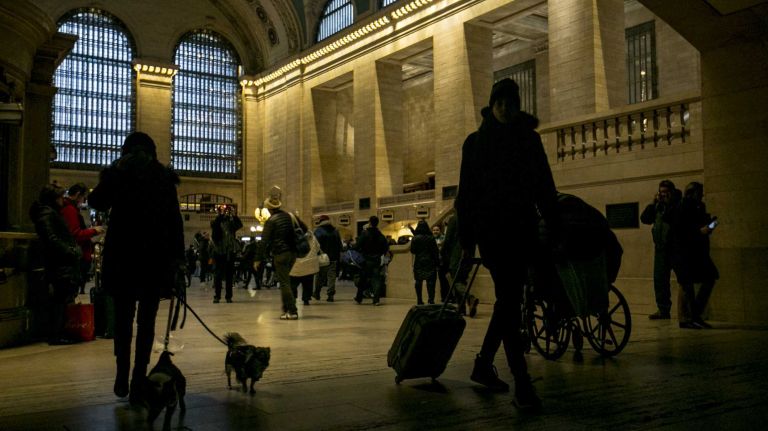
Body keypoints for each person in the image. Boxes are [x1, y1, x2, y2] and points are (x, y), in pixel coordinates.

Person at [455, 78, 558, 408]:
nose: (504, 108)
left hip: (523, 231)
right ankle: (522, 383)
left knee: (507, 302)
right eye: (499, 102)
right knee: (510, 301)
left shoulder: (529, 140)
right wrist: (467, 239)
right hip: (494, 234)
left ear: (517, 106)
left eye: (510, 103)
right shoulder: (475, 143)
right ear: (492, 105)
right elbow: (466, 195)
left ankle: (484, 364)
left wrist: (553, 221)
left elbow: (544, 185)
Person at [88, 132, 185, 403]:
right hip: (151, 260)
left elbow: (174, 221)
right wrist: (177, 259)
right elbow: (97, 202)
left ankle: (129, 375)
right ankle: (134, 377)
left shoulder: (150, 178)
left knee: (126, 321)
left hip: (126, 259)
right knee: (143, 323)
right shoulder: (155, 178)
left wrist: (115, 172)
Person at [29, 184, 82, 345]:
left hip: (59, 261)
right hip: (58, 262)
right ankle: (56, 334)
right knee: (59, 299)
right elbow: (51, 238)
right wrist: (70, 251)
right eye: (59, 197)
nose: (62, 200)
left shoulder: (48, 213)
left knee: (61, 298)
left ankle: (58, 332)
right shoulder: (47, 214)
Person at [670, 182, 718, 329]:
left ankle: (694, 314)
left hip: (698, 251)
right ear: (692, 193)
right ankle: (686, 318)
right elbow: (680, 231)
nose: (702, 195)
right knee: (686, 284)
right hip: (684, 252)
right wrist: (699, 231)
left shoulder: (699, 206)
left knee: (709, 278)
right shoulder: (681, 207)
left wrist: (710, 225)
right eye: (699, 192)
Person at [261, 186, 307, 320]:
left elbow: (264, 241)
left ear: (269, 209)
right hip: (293, 253)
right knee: (288, 281)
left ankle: (292, 311)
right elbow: (304, 229)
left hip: (280, 254)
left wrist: (258, 258)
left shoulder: (271, 221)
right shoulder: (290, 216)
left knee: (284, 283)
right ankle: (286, 309)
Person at [640, 180, 678, 320]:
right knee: (660, 280)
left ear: (672, 192)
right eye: (661, 192)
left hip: (676, 247)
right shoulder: (658, 206)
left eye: (666, 192)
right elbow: (645, 219)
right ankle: (663, 309)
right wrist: (653, 203)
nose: (663, 195)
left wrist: (668, 205)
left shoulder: (678, 205)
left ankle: (688, 311)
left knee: (684, 280)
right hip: (661, 248)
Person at [59, 182, 104, 294]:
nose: (84, 200)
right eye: (83, 197)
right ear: (78, 194)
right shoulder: (70, 209)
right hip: (77, 256)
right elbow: (75, 234)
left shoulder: (69, 208)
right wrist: (94, 231)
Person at [442, 212, 479, 317]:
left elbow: (448, 239)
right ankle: (461, 308)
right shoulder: (472, 219)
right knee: (462, 280)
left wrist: (443, 253)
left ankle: (470, 298)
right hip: (469, 254)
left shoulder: (454, 219)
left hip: (457, 255)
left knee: (455, 280)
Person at [353, 216, 390, 305]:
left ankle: (359, 298)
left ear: (369, 222)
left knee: (363, 279)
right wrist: (380, 254)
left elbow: (357, 246)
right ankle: (376, 300)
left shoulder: (365, 234)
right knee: (376, 279)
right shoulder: (380, 235)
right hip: (376, 260)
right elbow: (385, 248)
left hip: (366, 259)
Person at [210, 205, 242, 303]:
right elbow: (215, 227)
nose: (225, 212)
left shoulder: (231, 223)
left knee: (229, 275)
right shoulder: (215, 222)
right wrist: (220, 215)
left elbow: (239, 225)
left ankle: (228, 296)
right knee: (218, 275)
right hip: (219, 251)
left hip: (229, 252)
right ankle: (217, 296)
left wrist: (234, 215)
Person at [290, 224, 321, 306]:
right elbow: (317, 247)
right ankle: (306, 299)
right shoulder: (312, 237)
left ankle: (293, 298)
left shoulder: (290, 237)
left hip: (295, 264)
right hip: (309, 263)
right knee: (308, 283)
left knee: (293, 283)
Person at [410, 220, 439, 305]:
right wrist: (437, 262)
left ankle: (419, 300)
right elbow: (435, 251)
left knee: (418, 281)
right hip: (430, 262)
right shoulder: (431, 238)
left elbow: (412, 250)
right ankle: (431, 300)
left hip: (419, 262)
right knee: (431, 282)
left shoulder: (415, 238)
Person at [313, 215, 342, 302]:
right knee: (331, 277)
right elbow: (339, 245)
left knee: (319, 277)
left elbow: (315, 245)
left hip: (322, 258)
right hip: (333, 258)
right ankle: (330, 295)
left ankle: (317, 293)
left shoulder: (318, 231)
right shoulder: (335, 231)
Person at [432, 224, 450, 302]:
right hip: (437, 263)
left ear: (440, 231)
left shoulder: (443, 238)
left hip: (444, 262)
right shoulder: (431, 239)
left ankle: (446, 297)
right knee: (441, 280)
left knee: (445, 281)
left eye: (437, 230)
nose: (435, 231)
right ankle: (444, 297)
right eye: (434, 230)